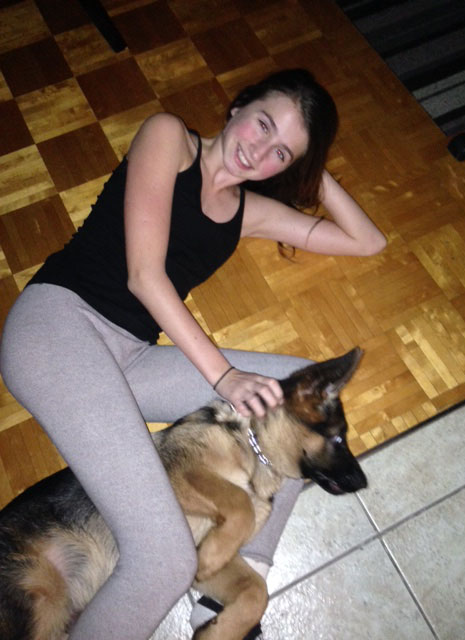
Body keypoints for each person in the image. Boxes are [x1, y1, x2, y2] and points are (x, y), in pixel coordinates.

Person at [0, 68, 386, 640]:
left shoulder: (248, 211)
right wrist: (224, 376)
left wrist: (310, 167)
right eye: (263, 124)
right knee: (162, 556)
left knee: (292, 399)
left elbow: (368, 241)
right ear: (237, 107)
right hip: (59, 326)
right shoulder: (169, 138)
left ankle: (227, 597)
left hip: (129, 357)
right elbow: (144, 276)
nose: (260, 151)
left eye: (280, 152)